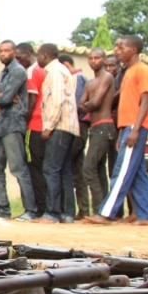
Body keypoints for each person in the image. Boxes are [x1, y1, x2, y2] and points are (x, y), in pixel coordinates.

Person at [84, 35, 148, 226]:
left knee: (121, 171)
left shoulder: (141, 70)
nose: (116, 50)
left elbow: (145, 101)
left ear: (133, 50)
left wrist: (135, 129)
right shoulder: (129, 71)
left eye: (120, 47)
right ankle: (147, 215)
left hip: (136, 126)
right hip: (128, 126)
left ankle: (106, 212)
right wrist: (122, 131)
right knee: (137, 171)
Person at [0, 40, 37, 221]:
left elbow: (5, 97)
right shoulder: (2, 73)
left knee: (17, 168)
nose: (2, 54)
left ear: (14, 52)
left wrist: (0, 96)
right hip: (0, 124)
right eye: (0, 51)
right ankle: (2, 208)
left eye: (6, 50)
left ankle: (30, 209)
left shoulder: (18, 71)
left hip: (13, 124)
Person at [33, 43, 79, 224]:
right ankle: (67, 214)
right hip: (67, 126)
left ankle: (52, 213)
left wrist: (49, 126)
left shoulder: (55, 72)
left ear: (44, 55)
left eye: (38, 55)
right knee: (64, 170)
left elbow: (58, 100)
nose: (37, 59)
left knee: (50, 168)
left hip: (59, 127)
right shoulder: (61, 70)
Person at [79, 48, 116, 216]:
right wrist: (89, 104)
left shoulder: (107, 77)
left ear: (103, 59)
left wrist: (88, 104)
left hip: (104, 126)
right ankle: (103, 210)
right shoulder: (89, 83)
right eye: (91, 58)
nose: (93, 61)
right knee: (98, 169)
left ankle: (100, 210)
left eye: (97, 58)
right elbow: (82, 105)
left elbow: (97, 102)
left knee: (88, 167)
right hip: (94, 129)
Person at [16, 42, 47, 217]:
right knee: (44, 168)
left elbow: (32, 100)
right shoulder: (44, 70)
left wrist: (24, 122)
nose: (18, 61)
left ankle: (39, 208)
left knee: (34, 167)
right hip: (45, 125)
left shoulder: (32, 71)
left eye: (19, 57)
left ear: (28, 54)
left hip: (35, 125)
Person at [60, 54, 90, 218]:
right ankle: (83, 210)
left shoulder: (76, 78)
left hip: (77, 126)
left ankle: (68, 208)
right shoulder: (80, 77)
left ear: (65, 65)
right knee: (78, 169)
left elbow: (76, 105)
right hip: (80, 127)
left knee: (66, 166)